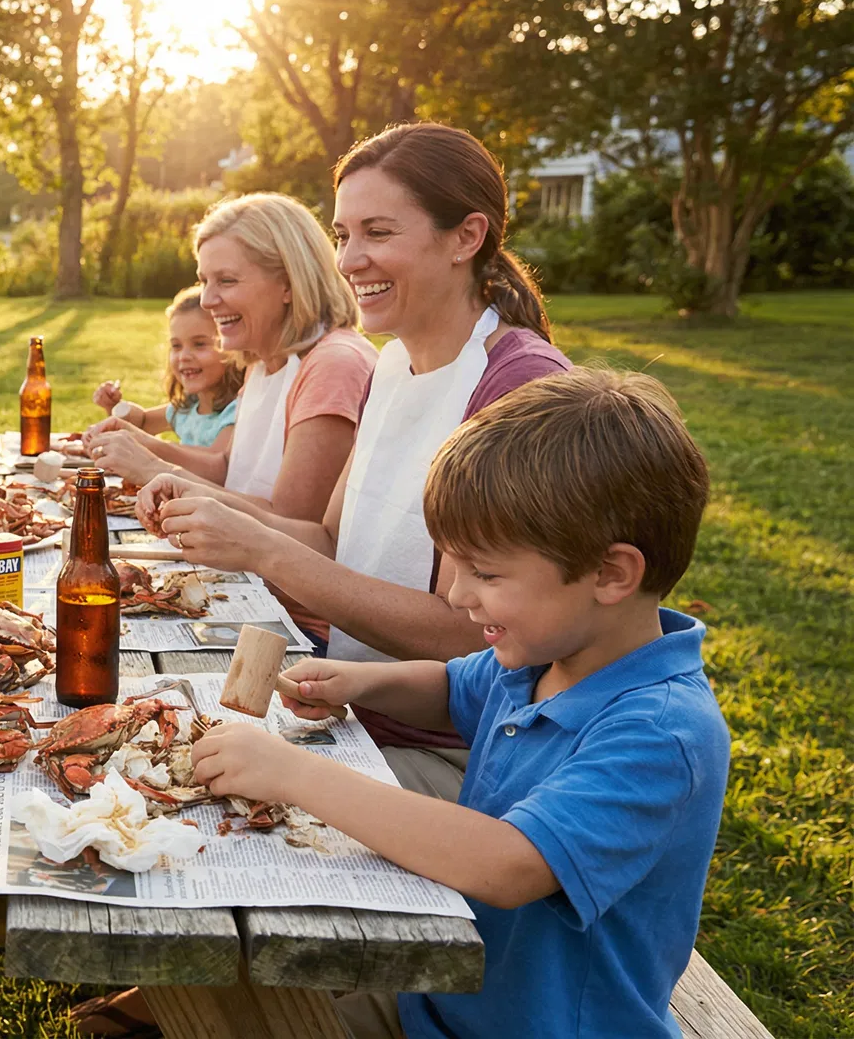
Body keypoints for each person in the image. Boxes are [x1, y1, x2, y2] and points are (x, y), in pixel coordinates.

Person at [190, 369, 726, 1039]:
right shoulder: (542, 655)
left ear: (612, 574)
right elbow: (451, 689)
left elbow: (506, 864)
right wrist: (360, 684)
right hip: (440, 999)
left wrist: (291, 772)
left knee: (242, 999)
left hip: (541, 1029)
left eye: (487, 573)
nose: (458, 595)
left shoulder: (661, 732)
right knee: (232, 975)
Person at [141, 123, 572, 797]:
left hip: (458, 754)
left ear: (467, 237)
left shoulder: (515, 389)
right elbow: (330, 538)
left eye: (378, 232)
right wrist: (208, 505)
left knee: (184, 797)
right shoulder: (392, 363)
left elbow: (468, 632)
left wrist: (263, 549)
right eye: (343, 236)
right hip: (347, 707)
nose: (348, 260)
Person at [85, 193, 373, 536]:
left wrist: (152, 467)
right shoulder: (262, 362)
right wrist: (139, 442)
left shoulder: (333, 365)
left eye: (226, 280)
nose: (207, 301)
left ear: (287, 283)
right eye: (204, 280)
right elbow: (228, 468)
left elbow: (293, 526)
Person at [85, 286, 246, 479]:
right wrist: (116, 407)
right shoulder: (188, 407)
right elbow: (143, 422)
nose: (184, 356)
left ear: (232, 347)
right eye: (176, 346)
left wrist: (150, 447)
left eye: (200, 344)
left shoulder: (234, 411)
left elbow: (217, 463)